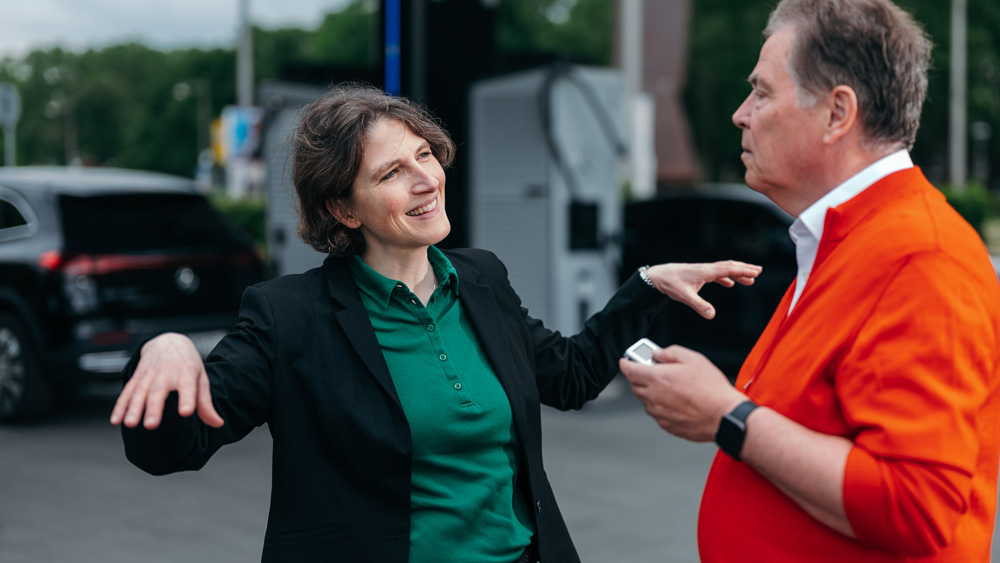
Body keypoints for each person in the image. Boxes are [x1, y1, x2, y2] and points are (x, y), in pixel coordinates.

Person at [110, 83, 761, 563]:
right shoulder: (289, 317)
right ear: (343, 206)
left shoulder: (480, 279)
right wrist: (162, 350)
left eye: (425, 154)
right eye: (393, 171)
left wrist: (645, 287)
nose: (426, 179)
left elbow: (570, 375)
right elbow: (169, 450)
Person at [620, 0, 1000, 561]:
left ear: (836, 113)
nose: (741, 113)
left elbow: (916, 504)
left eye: (763, 92)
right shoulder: (850, 238)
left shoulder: (921, 256)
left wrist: (727, 415)